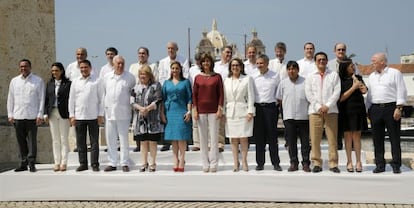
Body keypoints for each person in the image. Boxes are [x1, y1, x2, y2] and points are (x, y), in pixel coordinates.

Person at [367, 52, 407, 174]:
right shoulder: (371, 76)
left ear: (382, 62)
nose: (372, 63)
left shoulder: (395, 73)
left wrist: (399, 108)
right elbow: (370, 95)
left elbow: (401, 91)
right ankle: (380, 164)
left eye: (374, 61)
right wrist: (368, 110)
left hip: (391, 108)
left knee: (394, 138)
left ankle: (396, 164)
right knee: (377, 139)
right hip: (375, 108)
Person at [305, 52, 341, 173]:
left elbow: (337, 92)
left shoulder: (334, 75)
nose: (321, 61)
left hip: (331, 111)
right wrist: (318, 106)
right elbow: (309, 93)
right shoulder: (310, 76)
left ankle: (333, 163)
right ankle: (316, 163)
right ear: (315, 62)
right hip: (315, 111)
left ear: (327, 61)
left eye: (324, 59)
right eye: (319, 60)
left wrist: (328, 105)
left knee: (332, 139)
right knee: (315, 139)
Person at [7, 59, 45, 172]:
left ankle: (32, 163)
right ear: (19, 68)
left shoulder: (38, 81)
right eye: (22, 66)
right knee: (21, 141)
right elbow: (10, 99)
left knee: (32, 141)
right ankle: (23, 163)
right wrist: (10, 114)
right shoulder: (14, 81)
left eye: (26, 66)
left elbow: (41, 99)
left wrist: (40, 115)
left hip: (32, 116)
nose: (24, 68)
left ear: (30, 67)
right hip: (18, 115)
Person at [102, 55, 136, 172]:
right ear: (114, 64)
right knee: (110, 139)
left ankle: (124, 162)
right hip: (109, 112)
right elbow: (104, 94)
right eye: (118, 63)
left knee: (124, 139)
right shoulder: (107, 77)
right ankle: (112, 162)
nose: (120, 65)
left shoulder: (130, 77)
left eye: (122, 63)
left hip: (124, 113)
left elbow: (133, 94)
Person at [68, 59, 104, 172]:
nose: (84, 69)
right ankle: (83, 163)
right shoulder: (75, 82)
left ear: (90, 68)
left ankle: (94, 164)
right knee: (80, 142)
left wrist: (100, 114)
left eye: (86, 67)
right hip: (79, 116)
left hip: (93, 116)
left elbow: (101, 99)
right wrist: (72, 115)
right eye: (82, 68)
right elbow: (71, 99)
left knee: (94, 142)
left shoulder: (97, 81)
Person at [276, 61, 311, 172]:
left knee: (305, 142)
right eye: (289, 69)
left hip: (303, 116)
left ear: (298, 70)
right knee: (291, 142)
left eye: (294, 69)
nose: (291, 71)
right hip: (289, 116)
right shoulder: (283, 83)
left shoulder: (305, 82)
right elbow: (279, 98)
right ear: (287, 71)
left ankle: (306, 163)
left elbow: (309, 97)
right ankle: (293, 163)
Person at [193, 53, 224, 173]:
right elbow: (194, 95)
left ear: (211, 62)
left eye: (208, 61)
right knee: (203, 138)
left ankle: (214, 163)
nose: (206, 63)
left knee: (214, 138)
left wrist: (220, 108)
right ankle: (204, 163)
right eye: (204, 61)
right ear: (201, 63)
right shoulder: (198, 77)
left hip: (214, 111)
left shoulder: (217, 77)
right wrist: (195, 110)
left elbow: (221, 94)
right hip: (201, 111)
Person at [223, 58, 255, 172]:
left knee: (244, 138)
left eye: (237, 65)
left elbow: (251, 96)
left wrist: (251, 111)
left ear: (241, 67)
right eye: (233, 65)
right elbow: (224, 99)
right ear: (230, 67)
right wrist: (223, 112)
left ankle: (245, 161)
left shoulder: (247, 79)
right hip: (230, 112)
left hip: (243, 111)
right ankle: (236, 162)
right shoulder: (226, 80)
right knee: (233, 139)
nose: (235, 67)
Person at [252, 54, 282, 171]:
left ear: (267, 64)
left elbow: (279, 92)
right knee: (259, 137)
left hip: (271, 108)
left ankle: (275, 163)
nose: (259, 65)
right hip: (258, 108)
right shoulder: (253, 76)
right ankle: (260, 163)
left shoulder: (275, 76)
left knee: (272, 136)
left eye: (261, 63)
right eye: (258, 63)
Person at [158, 42, 189, 151]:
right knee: (168, 121)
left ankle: (185, 143)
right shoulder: (162, 62)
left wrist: (177, 81)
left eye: (172, 48)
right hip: (168, 91)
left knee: (182, 122)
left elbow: (186, 74)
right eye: (169, 48)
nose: (170, 50)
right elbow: (161, 78)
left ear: (177, 49)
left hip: (181, 91)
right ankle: (167, 143)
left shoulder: (184, 60)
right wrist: (169, 84)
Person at [131, 65, 163, 172]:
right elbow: (132, 101)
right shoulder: (135, 87)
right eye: (141, 74)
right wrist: (141, 109)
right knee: (143, 142)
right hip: (140, 120)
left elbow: (158, 99)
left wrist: (147, 109)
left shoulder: (156, 85)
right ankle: (144, 163)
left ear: (149, 75)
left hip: (153, 119)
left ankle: (153, 163)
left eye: (144, 74)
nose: (142, 76)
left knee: (152, 142)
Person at [338, 59, 368, 173]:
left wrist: (359, 84)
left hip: (358, 110)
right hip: (346, 111)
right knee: (347, 137)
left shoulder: (358, 78)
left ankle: (359, 161)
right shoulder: (341, 80)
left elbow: (364, 91)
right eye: (351, 66)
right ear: (345, 67)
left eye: (353, 66)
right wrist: (353, 87)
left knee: (357, 137)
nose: (353, 68)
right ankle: (349, 161)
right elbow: (341, 98)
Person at [162, 61, 192, 172]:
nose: (175, 70)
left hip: (182, 111)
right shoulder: (166, 83)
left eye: (177, 68)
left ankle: (182, 158)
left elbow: (189, 98)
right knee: (173, 138)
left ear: (180, 70)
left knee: (181, 137)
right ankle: (175, 160)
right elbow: (163, 99)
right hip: (170, 111)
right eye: (173, 68)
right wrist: (162, 113)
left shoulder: (185, 82)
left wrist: (189, 111)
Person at [44, 62, 71, 172]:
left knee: (64, 138)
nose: (54, 72)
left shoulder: (68, 83)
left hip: (64, 113)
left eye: (56, 70)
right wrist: (45, 113)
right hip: (52, 113)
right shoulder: (49, 83)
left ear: (62, 71)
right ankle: (57, 162)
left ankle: (64, 162)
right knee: (55, 139)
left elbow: (71, 99)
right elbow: (46, 99)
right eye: (53, 71)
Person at [129, 47, 157, 152]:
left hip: (149, 97)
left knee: (149, 122)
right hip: (137, 97)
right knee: (137, 122)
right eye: (140, 53)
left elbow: (155, 80)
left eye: (144, 53)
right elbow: (132, 83)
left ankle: (149, 144)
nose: (141, 55)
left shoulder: (152, 66)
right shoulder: (133, 66)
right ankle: (139, 144)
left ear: (147, 55)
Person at [66, 47, 92, 152]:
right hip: (75, 100)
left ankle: (88, 144)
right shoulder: (71, 67)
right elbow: (67, 82)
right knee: (75, 125)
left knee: (88, 123)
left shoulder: (91, 67)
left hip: (89, 101)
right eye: (78, 54)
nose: (80, 56)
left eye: (82, 54)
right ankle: (78, 145)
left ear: (86, 55)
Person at [327, 42, 349, 150]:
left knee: (348, 122)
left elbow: (357, 77)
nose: (341, 52)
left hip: (348, 96)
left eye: (343, 50)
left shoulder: (350, 63)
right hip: (334, 97)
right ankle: (338, 145)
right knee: (336, 122)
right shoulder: (329, 65)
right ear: (334, 51)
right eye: (339, 50)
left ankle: (351, 146)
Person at [214, 45, 233, 152]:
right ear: (222, 53)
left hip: (230, 95)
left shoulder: (234, 65)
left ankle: (233, 142)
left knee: (231, 120)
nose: (228, 54)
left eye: (230, 52)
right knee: (220, 119)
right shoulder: (216, 66)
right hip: (217, 96)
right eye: (227, 52)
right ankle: (220, 143)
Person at [188, 52, 202, 151]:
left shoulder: (207, 69)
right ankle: (196, 143)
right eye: (197, 60)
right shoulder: (192, 70)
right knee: (195, 122)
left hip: (206, 97)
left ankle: (208, 143)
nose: (198, 62)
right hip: (195, 97)